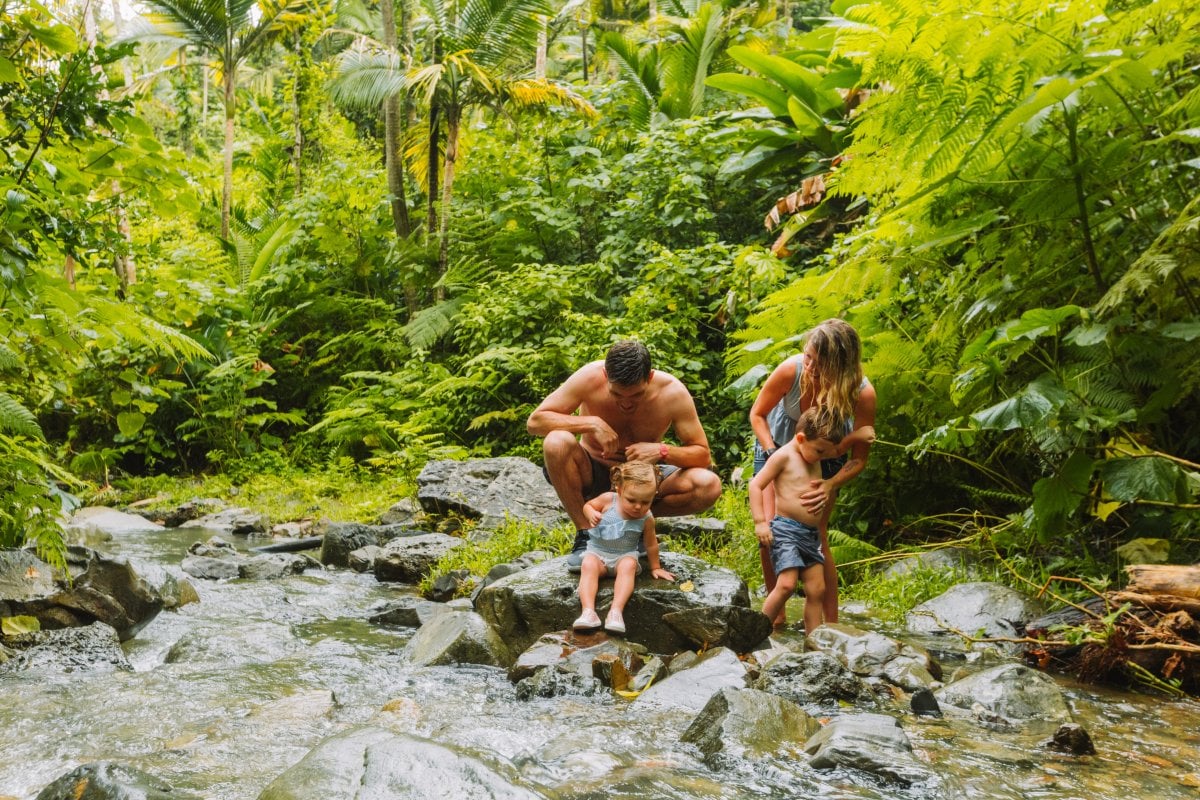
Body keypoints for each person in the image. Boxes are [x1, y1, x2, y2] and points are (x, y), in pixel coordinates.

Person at [528, 340, 722, 571]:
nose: (626, 403)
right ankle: (585, 536)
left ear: (649, 377)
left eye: (636, 395)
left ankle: (633, 522)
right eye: (617, 394)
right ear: (605, 375)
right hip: (593, 470)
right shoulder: (588, 378)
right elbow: (535, 422)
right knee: (556, 441)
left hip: (643, 479)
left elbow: (702, 456)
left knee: (708, 485)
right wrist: (592, 423)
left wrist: (662, 451)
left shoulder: (672, 392)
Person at [748, 318, 876, 625]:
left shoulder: (862, 393)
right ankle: (773, 619)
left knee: (817, 535)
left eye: (820, 363)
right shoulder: (790, 371)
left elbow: (858, 458)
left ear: (841, 366)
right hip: (775, 448)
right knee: (770, 533)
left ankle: (830, 626)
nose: (810, 367)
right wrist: (772, 454)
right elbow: (757, 414)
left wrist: (831, 484)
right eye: (808, 357)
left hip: (826, 459)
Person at [749, 407, 846, 634]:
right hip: (786, 530)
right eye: (820, 451)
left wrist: (859, 436)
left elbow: (839, 449)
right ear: (801, 438)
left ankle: (814, 643)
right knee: (786, 584)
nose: (823, 457)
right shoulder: (784, 456)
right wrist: (760, 522)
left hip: (810, 535)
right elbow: (756, 485)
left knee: (817, 589)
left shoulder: (814, 451)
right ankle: (755, 633)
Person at [572, 462, 676, 634]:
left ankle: (616, 612)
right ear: (619, 490)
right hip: (598, 554)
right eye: (632, 500)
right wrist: (590, 513)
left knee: (629, 565)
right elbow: (587, 506)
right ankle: (588, 612)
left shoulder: (647, 518)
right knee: (588, 565)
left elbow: (650, 543)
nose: (638, 506)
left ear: (654, 496)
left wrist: (656, 567)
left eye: (645, 502)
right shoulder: (608, 500)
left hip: (623, 556)